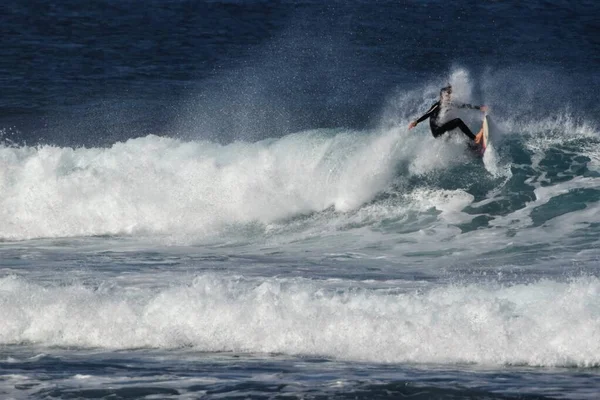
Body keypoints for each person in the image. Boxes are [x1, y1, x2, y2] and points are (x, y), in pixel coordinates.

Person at [408, 85, 488, 144]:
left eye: (450, 94)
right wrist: (416, 122)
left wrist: (479, 108)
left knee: (458, 131)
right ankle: (475, 139)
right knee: (458, 121)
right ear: (442, 96)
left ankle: (471, 147)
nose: (449, 96)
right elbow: (427, 114)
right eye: (447, 94)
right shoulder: (437, 105)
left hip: (442, 127)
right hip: (437, 131)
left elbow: (463, 106)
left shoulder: (449, 104)